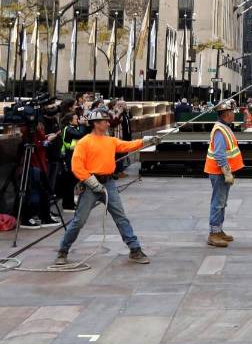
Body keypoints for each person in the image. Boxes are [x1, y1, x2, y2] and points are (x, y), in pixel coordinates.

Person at [56, 108, 160, 266]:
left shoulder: (110, 140)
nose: (107, 123)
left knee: (121, 217)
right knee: (79, 221)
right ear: (96, 124)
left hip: (108, 183)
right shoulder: (85, 142)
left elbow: (127, 145)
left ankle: (135, 249)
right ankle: (63, 251)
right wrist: (90, 181)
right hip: (91, 185)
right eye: (104, 120)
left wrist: (146, 141)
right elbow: (76, 166)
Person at [205, 100, 243, 248]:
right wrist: (227, 172)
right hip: (219, 172)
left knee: (222, 202)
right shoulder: (220, 130)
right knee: (218, 202)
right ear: (227, 113)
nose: (234, 114)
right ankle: (213, 234)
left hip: (221, 171)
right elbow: (220, 154)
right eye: (232, 112)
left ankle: (219, 230)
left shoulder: (224, 127)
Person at [19, 121, 61, 229]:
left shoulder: (33, 127)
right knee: (35, 190)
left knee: (41, 190)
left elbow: (38, 141)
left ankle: (42, 215)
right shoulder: (29, 129)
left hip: (40, 162)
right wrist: (46, 140)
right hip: (35, 163)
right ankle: (29, 217)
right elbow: (36, 144)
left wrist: (45, 138)